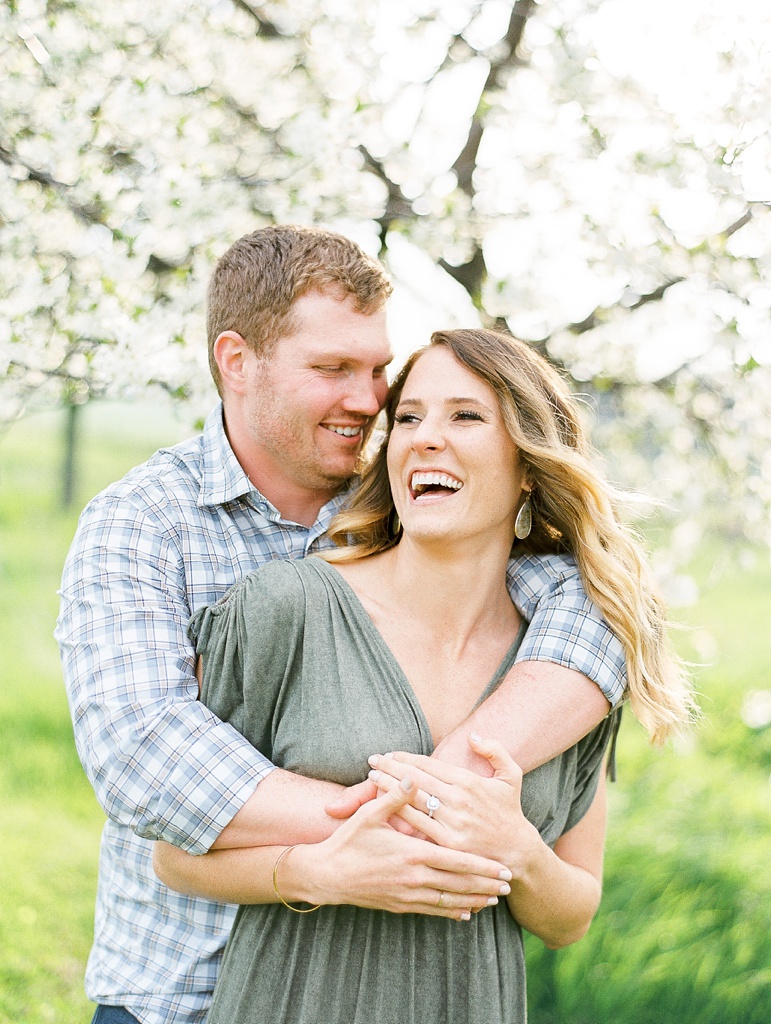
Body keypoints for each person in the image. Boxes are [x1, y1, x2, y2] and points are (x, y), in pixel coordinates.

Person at [57, 226, 628, 1024]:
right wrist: (411, 812)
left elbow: (595, 606)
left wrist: (475, 805)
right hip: (182, 994)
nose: (367, 401)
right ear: (236, 361)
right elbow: (143, 754)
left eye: (376, 372)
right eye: (331, 369)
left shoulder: (411, 500)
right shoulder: (144, 524)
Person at [154, 328, 694, 1024]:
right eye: (408, 417)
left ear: (529, 464)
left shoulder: (572, 666)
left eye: (464, 416)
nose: (425, 437)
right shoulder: (286, 609)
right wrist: (315, 873)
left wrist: (519, 853)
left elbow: (570, 917)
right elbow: (175, 856)